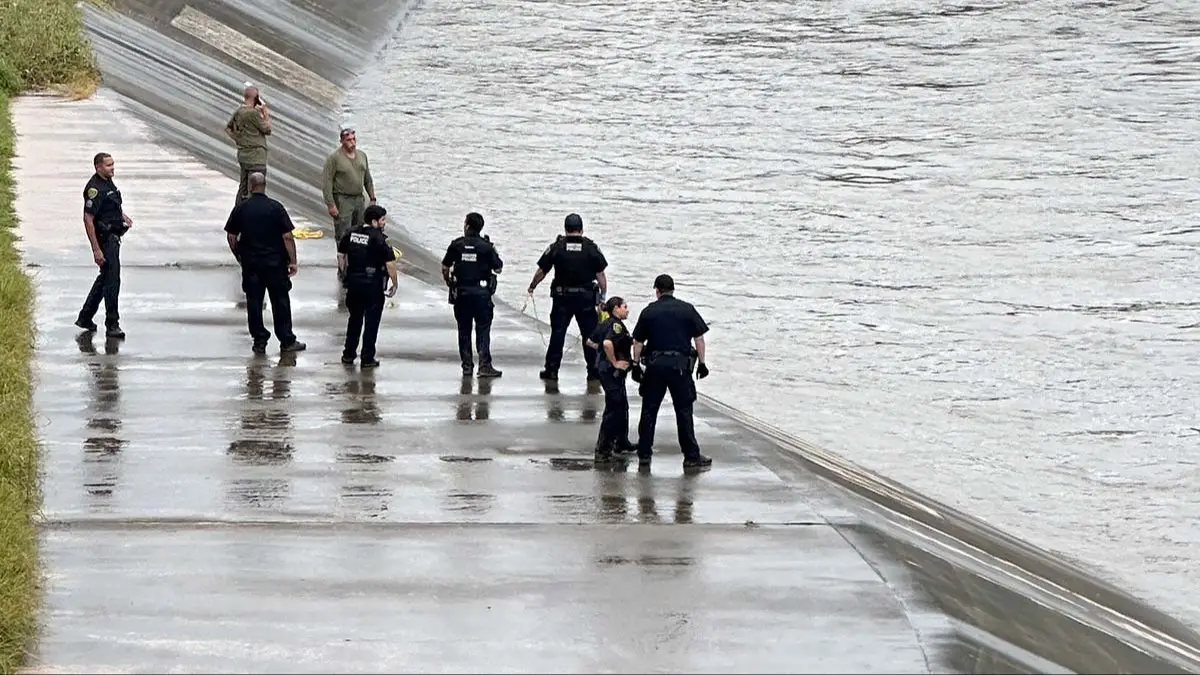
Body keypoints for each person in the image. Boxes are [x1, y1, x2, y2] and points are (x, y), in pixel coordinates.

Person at [630, 274, 712, 470]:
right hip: (680, 367)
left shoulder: (649, 311)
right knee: (684, 411)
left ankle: (644, 453)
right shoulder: (687, 309)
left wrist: (635, 364)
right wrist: (702, 363)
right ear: (673, 289)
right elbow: (699, 338)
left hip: (655, 366)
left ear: (657, 291)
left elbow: (638, 342)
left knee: (649, 410)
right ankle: (691, 456)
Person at [223, 172, 306, 354]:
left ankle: (259, 341)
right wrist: (293, 261)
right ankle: (286, 340)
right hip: (275, 264)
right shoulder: (275, 208)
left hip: (251, 264)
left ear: (251, 187)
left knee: (254, 302)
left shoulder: (241, 208)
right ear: (264, 186)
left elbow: (231, 236)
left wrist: (239, 255)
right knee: (280, 301)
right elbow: (287, 236)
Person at [526, 213, 608, 383]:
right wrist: (603, 298)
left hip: (562, 298)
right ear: (582, 229)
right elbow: (601, 276)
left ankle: (552, 370)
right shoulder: (591, 248)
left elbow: (542, 270)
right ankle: (594, 371)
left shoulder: (557, 246)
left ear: (565, 228)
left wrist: (533, 285)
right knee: (590, 336)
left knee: (558, 334)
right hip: (585, 299)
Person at [76, 152, 133, 339]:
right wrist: (96, 249)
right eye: (108, 165)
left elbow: (111, 206)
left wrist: (122, 217)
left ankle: (85, 317)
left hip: (114, 237)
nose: (112, 168)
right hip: (105, 239)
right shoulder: (94, 188)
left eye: (113, 164)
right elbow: (88, 219)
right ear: (98, 167)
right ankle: (112, 324)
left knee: (105, 279)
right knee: (112, 281)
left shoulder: (108, 182)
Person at [442, 212, 503, 378]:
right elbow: (498, 268)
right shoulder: (486, 246)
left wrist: (449, 282)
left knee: (464, 330)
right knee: (483, 330)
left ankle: (467, 367)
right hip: (482, 293)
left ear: (467, 225)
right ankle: (484, 365)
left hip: (462, 293)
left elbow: (445, 267)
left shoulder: (456, 245)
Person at [338, 204, 398, 368]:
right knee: (371, 323)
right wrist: (395, 283)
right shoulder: (379, 238)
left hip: (354, 282)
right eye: (382, 220)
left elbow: (341, 255)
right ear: (374, 221)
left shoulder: (350, 233)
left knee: (354, 320)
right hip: (373, 284)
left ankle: (348, 355)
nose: (384, 223)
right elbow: (390, 263)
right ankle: (367, 358)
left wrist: (344, 273)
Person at [590, 296, 637, 464]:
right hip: (611, 371)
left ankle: (621, 441)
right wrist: (614, 361)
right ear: (616, 308)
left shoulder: (604, 324)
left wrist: (603, 354)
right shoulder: (615, 326)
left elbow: (590, 341)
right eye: (624, 306)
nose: (627, 310)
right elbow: (608, 343)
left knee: (622, 405)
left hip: (606, 369)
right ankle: (603, 448)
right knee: (614, 407)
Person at [321, 125, 377, 250]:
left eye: (354, 139)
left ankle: (357, 260)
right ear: (341, 142)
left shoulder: (362, 155)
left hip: (359, 199)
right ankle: (343, 263)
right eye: (349, 140)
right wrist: (330, 204)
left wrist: (372, 198)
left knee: (360, 233)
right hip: (343, 200)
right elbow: (327, 182)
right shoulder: (334, 158)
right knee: (344, 233)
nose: (352, 143)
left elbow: (367, 178)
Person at [224, 83, 272, 205]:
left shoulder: (239, 112)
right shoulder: (253, 114)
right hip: (256, 156)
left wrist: (239, 140)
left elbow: (228, 128)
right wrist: (265, 114)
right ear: (256, 98)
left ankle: (238, 212)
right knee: (256, 190)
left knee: (243, 187)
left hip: (243, 155)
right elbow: (267, 130)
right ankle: (252, 214)